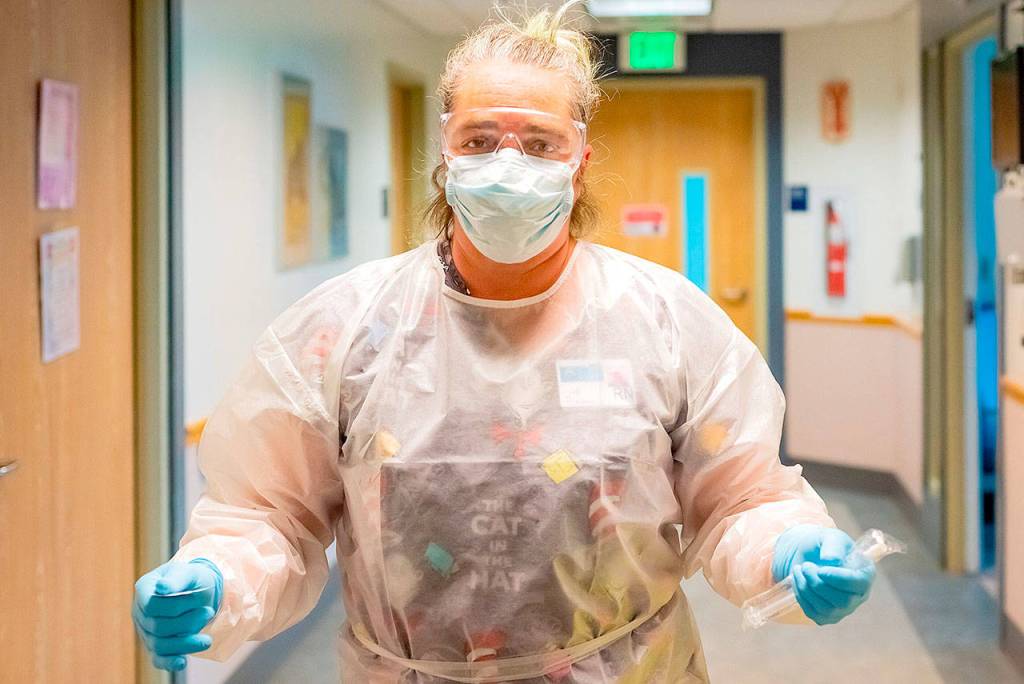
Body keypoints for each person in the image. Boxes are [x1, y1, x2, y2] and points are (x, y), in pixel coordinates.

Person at [133, 2, 876, 681]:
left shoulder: (663, 320)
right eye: (480, 140)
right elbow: (268, 511)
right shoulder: (349, 327)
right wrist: (218, 577)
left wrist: (787, 548)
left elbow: (740, 499)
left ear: (580, 162)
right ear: (446, 156)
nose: (508, 165)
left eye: (541, 142)